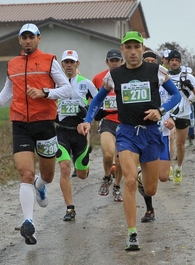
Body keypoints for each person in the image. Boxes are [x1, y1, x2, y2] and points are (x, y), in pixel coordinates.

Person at [77, 31, 181, 251]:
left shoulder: (156, 70)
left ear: (143, 49)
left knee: (151, 190)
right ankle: (132, 233)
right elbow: (97, 99)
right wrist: (87, 120)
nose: (132, 52)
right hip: (126, 133)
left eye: (136, 47)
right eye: (128, 47)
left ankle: (144, 179)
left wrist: (160, 111)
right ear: (122, 50)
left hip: (151, 134)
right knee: (130, 181)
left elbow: (176, 96)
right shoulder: (114, 75)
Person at [0, 23, 72, 245]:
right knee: (25, 172)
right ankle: (28, 221)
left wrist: (45, 92)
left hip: (44, 123)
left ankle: (40, 186)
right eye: (23, 38)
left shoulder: (49, 60)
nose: (27, 41)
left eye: (31, 37)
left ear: (38, 39)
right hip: (20, 123)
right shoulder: (12, 64)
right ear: (19, 40)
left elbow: (67, 89)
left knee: (48, 176)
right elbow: (9, 89)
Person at [56, 50, 98, 221]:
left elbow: (98, 103)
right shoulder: (55, 83)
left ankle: (84, 158)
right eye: (66, 62)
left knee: (81, 174)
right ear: (62, 64)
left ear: (77, 64)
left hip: (80, 131)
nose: (69, 65)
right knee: (65, 167)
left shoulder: (86, 83)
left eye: (72, 62)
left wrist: (87, 114)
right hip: (61, 130)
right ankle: (70, 208)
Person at [137, 50, 176, 222]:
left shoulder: (165, 80)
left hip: (163, 134)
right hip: (145, 134)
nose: (151, 64)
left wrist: (172, 119)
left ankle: (142, 174)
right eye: (148, 61)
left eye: (154, 61)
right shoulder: (137, 82)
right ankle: (149, 209)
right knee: (147, 180)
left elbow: (176, 101)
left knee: (163, 177)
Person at [92, 49, 124, 202]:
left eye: (117, 60)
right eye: (112, 61)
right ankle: (106, 177)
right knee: (108, 153)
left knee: (120, 161)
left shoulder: (128, 77)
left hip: (125, 122)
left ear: (121, 62)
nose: (115, 63)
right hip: (108, 121)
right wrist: (93, 114)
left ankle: (117, 186)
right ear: (107, 62)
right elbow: (93, 99)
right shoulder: (99, 78)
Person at [167, 50, 195, 184]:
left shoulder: (188, 76)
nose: (174, 62)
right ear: (168, 62)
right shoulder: (163, 75)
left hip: (183, 113)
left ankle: (179, 167)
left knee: (180, 144)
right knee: (170, 138)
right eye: (172, 60)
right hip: (168, 113)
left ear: (180, 62)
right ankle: (169, 167)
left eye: (177, 60)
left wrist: (190, 87)